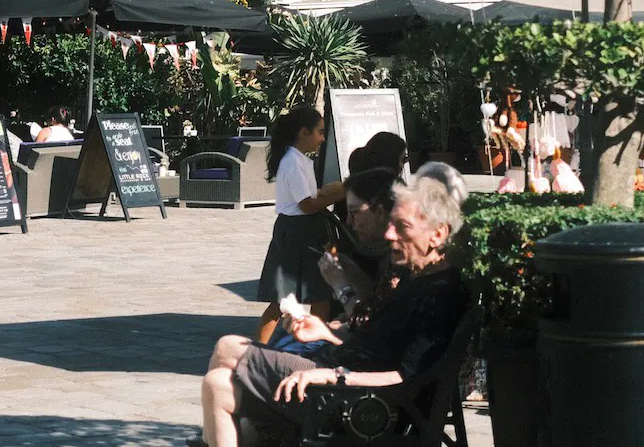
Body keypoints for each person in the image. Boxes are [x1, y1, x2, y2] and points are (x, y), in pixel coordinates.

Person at [196, 169, 470, 447]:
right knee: (217, 385)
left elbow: (404, 377)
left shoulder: (439, 294)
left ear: (438, 234)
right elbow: (374, 338)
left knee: (227, 349)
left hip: (359, 405)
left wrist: (334, 375)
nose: (390, 233)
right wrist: (326, 332)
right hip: (344, 389)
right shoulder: (418, 277)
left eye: (402, 226)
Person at [254, 107, 345, 341]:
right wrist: (340, 194)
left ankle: (316, 345)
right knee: (282, 300)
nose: (322, 139)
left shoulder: (300, 161)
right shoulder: (292, 163)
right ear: (304, 133)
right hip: (296, 232)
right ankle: (258, 350)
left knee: (320, 296)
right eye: (320, 132)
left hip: (307, 230)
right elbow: (306, 204)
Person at [319, 167, 398, 321]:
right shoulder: (392, 256)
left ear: (380, 212)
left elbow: (370, 326)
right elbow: (376, 307)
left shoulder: (403, 259)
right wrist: (354, 274)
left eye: (354, 212)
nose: (349, 222)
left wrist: (340, 284)